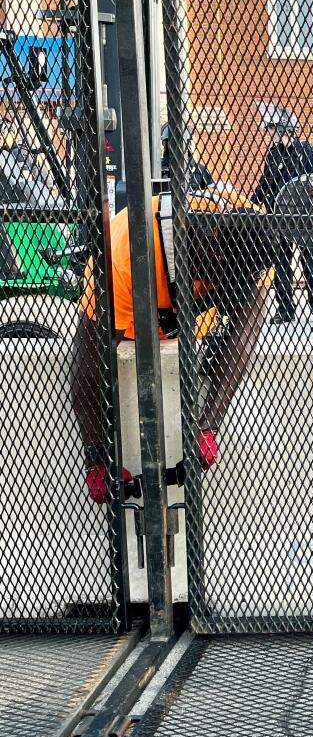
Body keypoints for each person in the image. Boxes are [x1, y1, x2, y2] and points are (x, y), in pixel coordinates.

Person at [73, 185, 274, 503]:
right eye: (221, 278)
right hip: (138, 314)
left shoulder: (255, 235)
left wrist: (208, 428)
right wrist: (97, 460)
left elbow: (243, 338)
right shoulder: (125, 251)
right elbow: (89, 366)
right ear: (212, 244)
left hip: (184, 318)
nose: (222, 289)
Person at [252, 105, 313, 325]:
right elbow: (264, 183)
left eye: (274, 129)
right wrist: (252, 203)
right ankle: (285, 308)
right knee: (281, 263)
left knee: (310, 262)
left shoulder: (305, 150)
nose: (272, 134)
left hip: (303, 217)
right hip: (279, 216)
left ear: (286, 128)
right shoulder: (273, 153)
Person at [160, 123, 214, 191]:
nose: (178, 146)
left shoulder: (201, 170)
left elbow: (212, 194)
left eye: (181, 142)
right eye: (173, 143)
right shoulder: (157, 170)